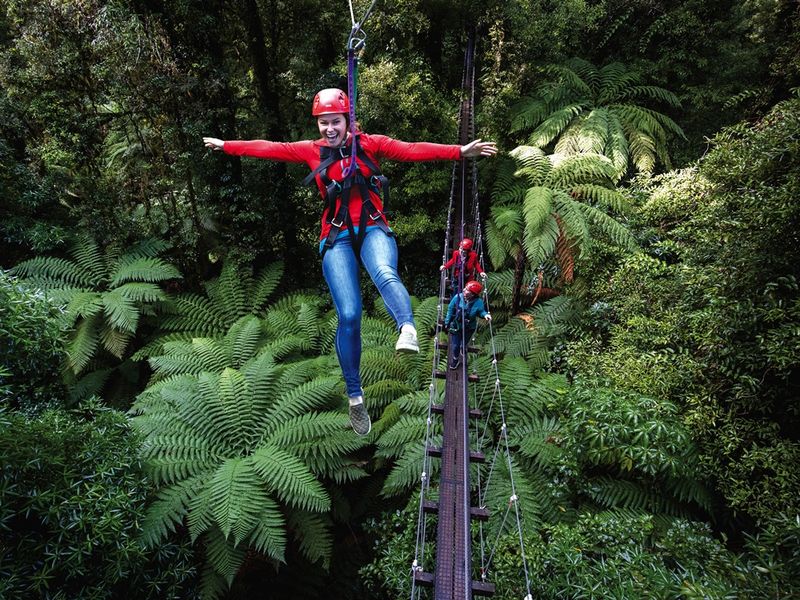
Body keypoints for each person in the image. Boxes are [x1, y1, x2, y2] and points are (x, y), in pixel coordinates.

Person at [203, 88, 497, 436]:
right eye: (324, 122)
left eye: (335, 121)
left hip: (373, 226)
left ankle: (408, 328)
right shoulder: (312, 151)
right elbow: (271, 149)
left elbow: (410, 150)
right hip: (337, 236)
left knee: (385, 272)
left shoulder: (370, 143)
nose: (329, 128)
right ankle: (355, 397)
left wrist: (459, 152)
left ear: (348, 121)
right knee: (350, 314)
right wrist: (227, 146)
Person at [443, 280, 491, 370]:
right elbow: (450, 309)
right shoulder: (458, 297)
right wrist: (447, 322)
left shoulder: (478, 302)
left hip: (469, 327)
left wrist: (485, 315)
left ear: (472, 294)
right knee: (456, 345)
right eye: (465, 288)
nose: (464, 290)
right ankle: (455, 359)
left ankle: (463, 347)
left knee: (464, 343)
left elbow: (481, 311)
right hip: (457, 326)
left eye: (467, 290)